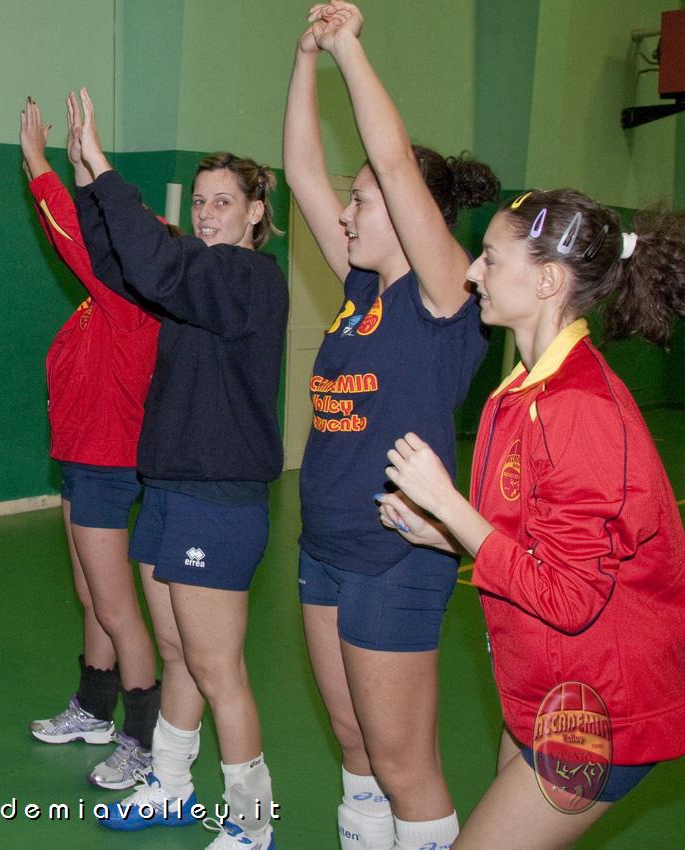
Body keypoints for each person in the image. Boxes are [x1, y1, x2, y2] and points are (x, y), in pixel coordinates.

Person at [381, 191, 685, 850]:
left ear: (547, 280)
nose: (472, 273)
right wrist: (443, 530)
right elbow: (531, 542)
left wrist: (449, 504)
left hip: (603, 705)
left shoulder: (579, 410)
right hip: (546, 685)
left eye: (490, 259)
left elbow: (571, 597)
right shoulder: (525, 390)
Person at [283, 4, 498, 847]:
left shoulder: (445, 299)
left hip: (395, 557)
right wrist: (304, 57)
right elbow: (302, 172)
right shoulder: (361, 290)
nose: (346, 211)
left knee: (405, 764)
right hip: (325, 547)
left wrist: (348, 48)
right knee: (354, 747)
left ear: (413, 215)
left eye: (363, 200)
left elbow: (395, 164)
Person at [73, 89, 288, 850]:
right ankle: (168, 785)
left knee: (217, 665)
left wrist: (106, 171)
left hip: (218, 498)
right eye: (198, 201)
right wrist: (85, 184)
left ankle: (252, 821)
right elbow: (126, 263)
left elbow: (159, 262)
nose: (205, 213)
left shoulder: (247, 279)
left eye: (223, 201)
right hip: (168, 489)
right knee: (177, 655)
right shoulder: (195, 274)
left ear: (257, 211)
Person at [19, 96, 163, 789]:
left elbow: (78, 241)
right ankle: (94, 707)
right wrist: (80, 170)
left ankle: (143, 738)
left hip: (108, 466)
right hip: (81, 463)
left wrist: (41, 167)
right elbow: (94, 241)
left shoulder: (132, 300)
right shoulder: (99, 303)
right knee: (90, 594)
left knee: (115, 606)